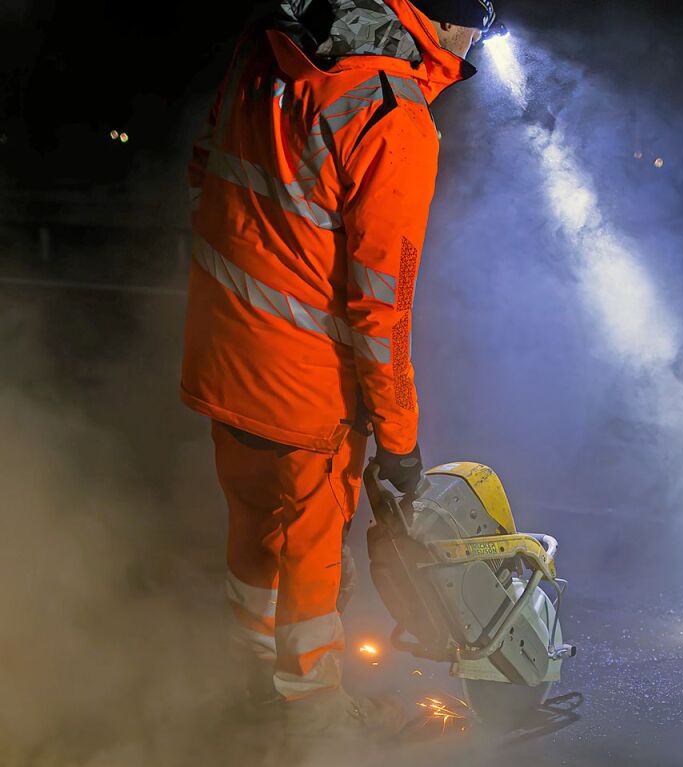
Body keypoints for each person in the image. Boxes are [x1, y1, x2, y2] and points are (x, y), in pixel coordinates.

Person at [180, 0, 495, 737]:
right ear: (446, 20)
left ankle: (252, 690)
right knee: (313, 564)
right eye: (482, 19)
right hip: (304, 389)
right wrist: (399, 438)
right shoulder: (393, 118)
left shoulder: (271, 46)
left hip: (224, 356)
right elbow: (381, 311)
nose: (481, 37)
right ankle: (312, 723)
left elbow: (205, 168)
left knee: (253, 534)